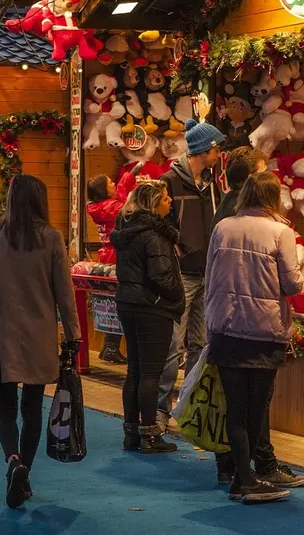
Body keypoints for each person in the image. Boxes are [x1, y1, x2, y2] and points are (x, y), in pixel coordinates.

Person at [0, 175, 82, 510]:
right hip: (40, 336)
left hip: (3, 335)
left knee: (4, 407)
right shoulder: (52, 239)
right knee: (32, 408)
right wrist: (73, 335)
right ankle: (25, 475)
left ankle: (13, 461)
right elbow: (65, 293)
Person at [205, 172, 304, 503]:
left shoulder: (223, 227)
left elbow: (209, 276)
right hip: (263, 330)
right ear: (273, 198)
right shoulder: (282, 232)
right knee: (255, 410)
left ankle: (242, 478)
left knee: (236, 409)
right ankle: (245, 479)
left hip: (225, 326)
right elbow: (292, 285)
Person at [156, 118, 226, 425]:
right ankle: (159, 407)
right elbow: (161, 221)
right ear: (203, 150)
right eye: (216, 148)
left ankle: (187, 408)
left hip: (208, 272)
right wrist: (177, 247)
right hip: (182, 273)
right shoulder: (169, 182)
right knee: (173, 343)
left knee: (200, 343)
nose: (219, 154)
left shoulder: (213, 184)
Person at [110, 180, 184, 454]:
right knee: (151, 372)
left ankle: (131, 432)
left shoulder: (127, 228)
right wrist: (177, 295)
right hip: (152, 307)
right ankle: (150, 435)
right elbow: (161, 275)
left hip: (128, 303)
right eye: (165, 199)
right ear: (154, 204)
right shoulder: (155, 234)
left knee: (135, 371)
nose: (170, 203)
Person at [87, 168, 142, 364]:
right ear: (104, 191)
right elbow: (128, 208)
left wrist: (128, 177)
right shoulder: (111, 208)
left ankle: (109, 346)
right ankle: (111, 346)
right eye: (110, 183)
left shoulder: (100, 206)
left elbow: (119, 196)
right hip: (116, 256)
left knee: (113, 303)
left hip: (108, 255)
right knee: (120, 303)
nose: (113, 185)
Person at [211, 146, 268, 230]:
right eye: (263, 175)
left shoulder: (231, 203)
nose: (269, 178)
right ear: (250, 179)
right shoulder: (241, 213)